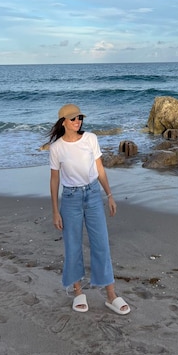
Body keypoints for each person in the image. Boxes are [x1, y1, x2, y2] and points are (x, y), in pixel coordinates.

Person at [48, 103, 130, 315]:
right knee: (73, 245)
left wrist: (109, 195)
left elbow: (100, 169)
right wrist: (55, 210)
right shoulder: (56, 148)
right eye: (73, 119)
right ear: (63, 122)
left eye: (80, 118)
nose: (78, 122)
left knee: (101, 243)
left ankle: (111, 294)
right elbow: (54, 180)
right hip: (70, 198)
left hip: (93, 195)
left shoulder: (91, 139)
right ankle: (77, 292)